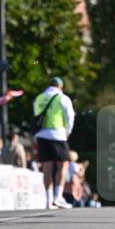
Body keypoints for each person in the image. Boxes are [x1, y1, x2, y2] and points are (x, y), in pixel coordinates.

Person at [33, 76, 74, 209]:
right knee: (63, 165)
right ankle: (58, 196)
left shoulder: (40, 97)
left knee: (47, 167)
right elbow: (70, 117)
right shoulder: (63, 98)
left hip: (42, 135)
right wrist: (67, 132)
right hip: (58, 134)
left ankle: (48, 199)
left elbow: (36, 114)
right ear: (60, 86)